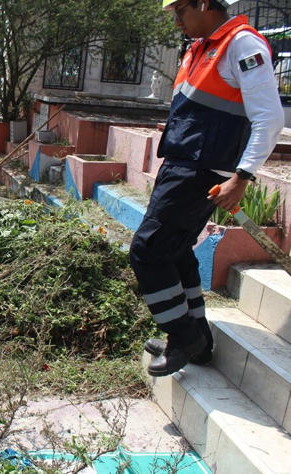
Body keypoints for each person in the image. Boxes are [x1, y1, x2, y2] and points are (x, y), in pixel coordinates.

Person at [132, 0, 284, 377]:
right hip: (184, 165)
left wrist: (242, 176)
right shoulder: (201, 47)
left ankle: (181, 337)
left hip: (200, 171)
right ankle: (197, 341)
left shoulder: (242, 45)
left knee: (148, 251)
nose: (178, 21)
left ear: (204, 3)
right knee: (176, 249)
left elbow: (269, 117)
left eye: (180, 11)